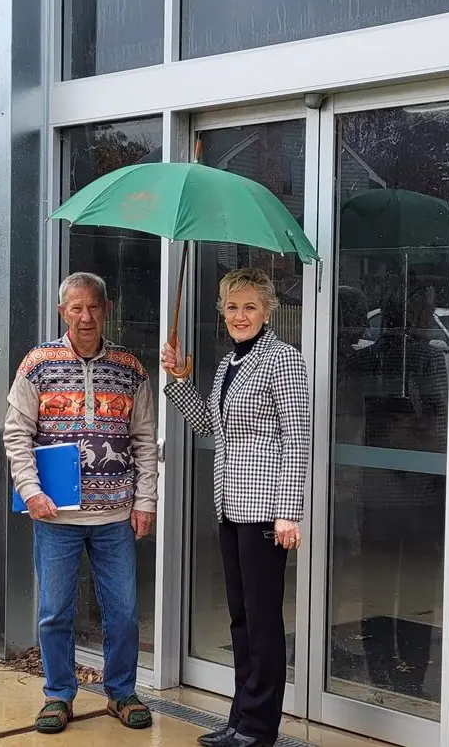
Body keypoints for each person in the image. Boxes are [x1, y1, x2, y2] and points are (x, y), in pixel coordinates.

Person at [162, 267, 312, 747]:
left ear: (268, 311)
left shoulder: (283, 360)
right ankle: (239, 718)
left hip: (267, 510)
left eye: (250, 307)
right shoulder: (230, 364)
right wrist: (179, 379)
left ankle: (259, 727)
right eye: (232, 307)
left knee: (264, 620)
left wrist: (289, 511)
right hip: (230, 505)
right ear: (222, 312)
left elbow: (298, 438)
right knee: (241, 618)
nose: (240, 315)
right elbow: (209, 425)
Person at [5, 271, 159, 734]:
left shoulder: (130, 368)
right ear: (62, 312)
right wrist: (30, 491)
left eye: (93, 307)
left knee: (124, 611)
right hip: (57, 515)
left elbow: (145, 440)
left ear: (105, 310)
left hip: (116, 516)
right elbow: (17, 434)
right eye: (76, 308)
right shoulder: (37, 364)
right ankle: (58, 695)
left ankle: (121, 692)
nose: (85, 316)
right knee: (55, 610)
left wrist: (145, 500)